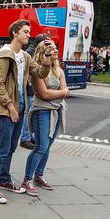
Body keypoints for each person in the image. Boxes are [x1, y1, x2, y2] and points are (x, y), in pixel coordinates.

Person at [0, 20, 54, 204]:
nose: (28, 35)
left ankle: (5, 180)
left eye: (29, 32)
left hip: (20, 108)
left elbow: (40, 73)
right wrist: (10, 106)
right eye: (25, 32)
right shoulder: (5, 55)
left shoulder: (25, 56)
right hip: (9, 109)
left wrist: (47, 56)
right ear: (15, 33)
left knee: (11, 148)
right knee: (2, 148)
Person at [21, 40, 68, 195]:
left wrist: (59, 93)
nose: (55, 50)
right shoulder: (38, 71)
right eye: (51, 48)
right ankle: (27, 180)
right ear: (43, 51)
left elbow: (65, 89)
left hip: (57, 111)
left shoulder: (58, 69)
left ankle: (38, 175)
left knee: (47, 147)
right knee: (41, 147)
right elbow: (44, 94)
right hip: (42, 111)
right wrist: (61, 93)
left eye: (56, 47)